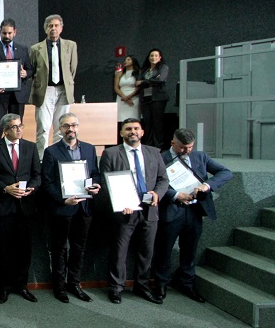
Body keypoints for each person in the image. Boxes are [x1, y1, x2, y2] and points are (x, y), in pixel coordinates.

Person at [153, 128, 233, 302]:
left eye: (190, 147)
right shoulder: (160, 158)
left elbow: (226, 172)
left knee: (190, 250)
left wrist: (207, 185)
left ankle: (187, 283)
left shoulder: (200, 157)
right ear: (173, 143)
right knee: (164, 250)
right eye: (183, 147)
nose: (187, 151)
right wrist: (175, 195)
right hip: (171, 210)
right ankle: (160, 284)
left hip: (195, 211)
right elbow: (152, 183)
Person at [99, 118, 168, 304]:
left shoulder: (154, 153)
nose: (133, 132)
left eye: (136, 128)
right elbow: (105, 183)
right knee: (119, 251)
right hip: (124, 211)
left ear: (142, 132)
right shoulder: (110, 153)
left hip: (149, 210)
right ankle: (116, 287)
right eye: (128, 129)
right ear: (121, 133)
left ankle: (142, 286)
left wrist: (157, 194)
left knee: (147, 251)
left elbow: (163, 179)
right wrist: (121, 203)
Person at [41, 114, 101, 303]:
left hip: (84, 208)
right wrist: (62, 200)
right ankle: (59, 287)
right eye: (66, 126)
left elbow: (95, 174)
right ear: (60, 129)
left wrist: (96, 186)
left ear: (78, 127)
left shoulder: (90, 149)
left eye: (74, 125)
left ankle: (74, 283)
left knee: (79, 248)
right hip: (63, 208)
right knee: (59, 249)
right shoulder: (51, 152)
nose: (70, 129)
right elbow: (47, 183)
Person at [0, 113, 41, 304]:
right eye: (15, 127)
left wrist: (32, 187)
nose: (19, 129)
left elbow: (37, 175)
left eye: (20, 126)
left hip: (25, 207)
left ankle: (21, 285)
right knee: (3, 249)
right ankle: (4, 286)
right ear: (5, 130)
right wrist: (5, 188)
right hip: (3, 206)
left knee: (24, 249)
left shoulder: (31, 147)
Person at [29, 14, 78, 159]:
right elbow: (33, 69)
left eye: (56, 26)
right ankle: (43, 160)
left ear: (61, 28)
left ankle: (58, 158)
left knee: (61, 127)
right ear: (45, 29)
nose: (53, 29)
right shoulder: (35, 48)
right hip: (45, 90)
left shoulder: (71, 45)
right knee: (43, 127)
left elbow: (72, 69)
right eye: (50, 26)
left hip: (63, 89)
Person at [0, 19, 33, 142]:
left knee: (16, 128)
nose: (7, 36)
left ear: (15, 32)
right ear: (0, 32)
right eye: (4, 33)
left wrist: (25, 73)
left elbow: (30, 69)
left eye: (9, 33)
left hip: (18, 95)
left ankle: (16, 156)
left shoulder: (23, 49)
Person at [137, 48, 169, 150]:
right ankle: (148, 146)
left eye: (156, 56)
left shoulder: (163, 67)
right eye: (151, 55)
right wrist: (151, 81)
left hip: (158, 98)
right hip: (145, 99)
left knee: (157, 123)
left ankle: (158, 147)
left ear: (160, 58)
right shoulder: (145, 70)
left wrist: (143, 82)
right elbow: (137, 82)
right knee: (147, 123)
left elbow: (160, 80)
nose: (153, 57)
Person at [114, 56, 141, 139]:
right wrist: (124, 97)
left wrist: (129, 97)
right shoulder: (120, 74)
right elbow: (116, 87)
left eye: (128, 59)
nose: (125, 61)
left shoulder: (138, 73)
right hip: (121, 98)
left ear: (133, 61)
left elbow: (139, 87)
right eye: (125, 60)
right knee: (121, 119)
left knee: (133, 119)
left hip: (134, 98)